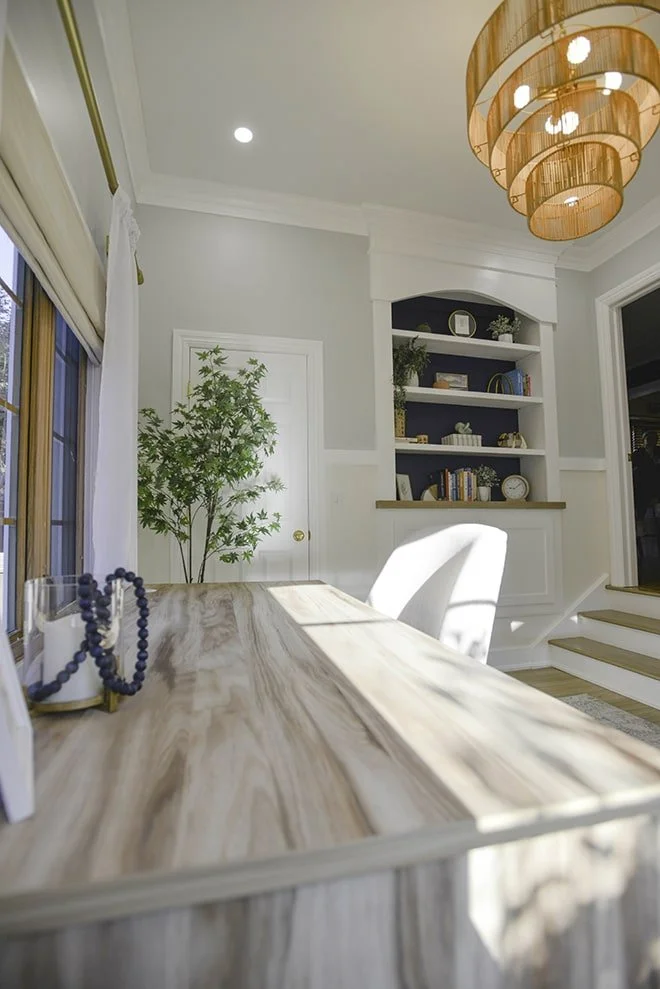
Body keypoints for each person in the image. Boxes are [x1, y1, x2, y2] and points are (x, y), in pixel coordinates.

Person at [632, 430, 660, 522]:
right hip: (642, 488)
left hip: (657, 488)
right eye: (648, 438)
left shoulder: (658, 452)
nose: (650, 441)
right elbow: (630, 466)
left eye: (653, 438)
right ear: (643, 440)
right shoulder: (638, 454)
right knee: (641, 515)